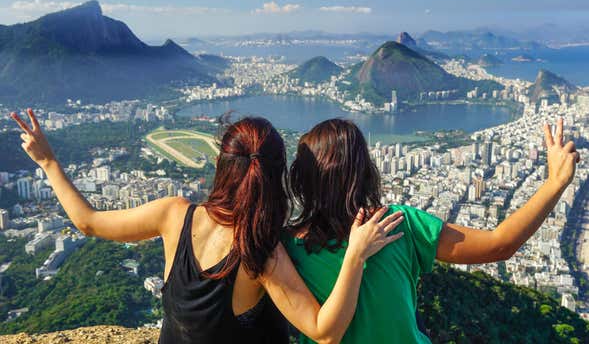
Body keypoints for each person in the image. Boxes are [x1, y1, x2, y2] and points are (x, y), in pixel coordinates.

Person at [11, 109, 406, 344]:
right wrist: (354, 255)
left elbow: (88, 222)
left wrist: (48, 163)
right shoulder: (260, 250)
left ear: (223, 166)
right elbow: (325, 331)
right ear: (274, 176)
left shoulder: (173, 214)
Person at [284, 117, 580, 343]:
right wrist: (555, 182)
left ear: (302, 179)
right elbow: (499, 244)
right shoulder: (399, 224)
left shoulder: (285, 249)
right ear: (364, 173)